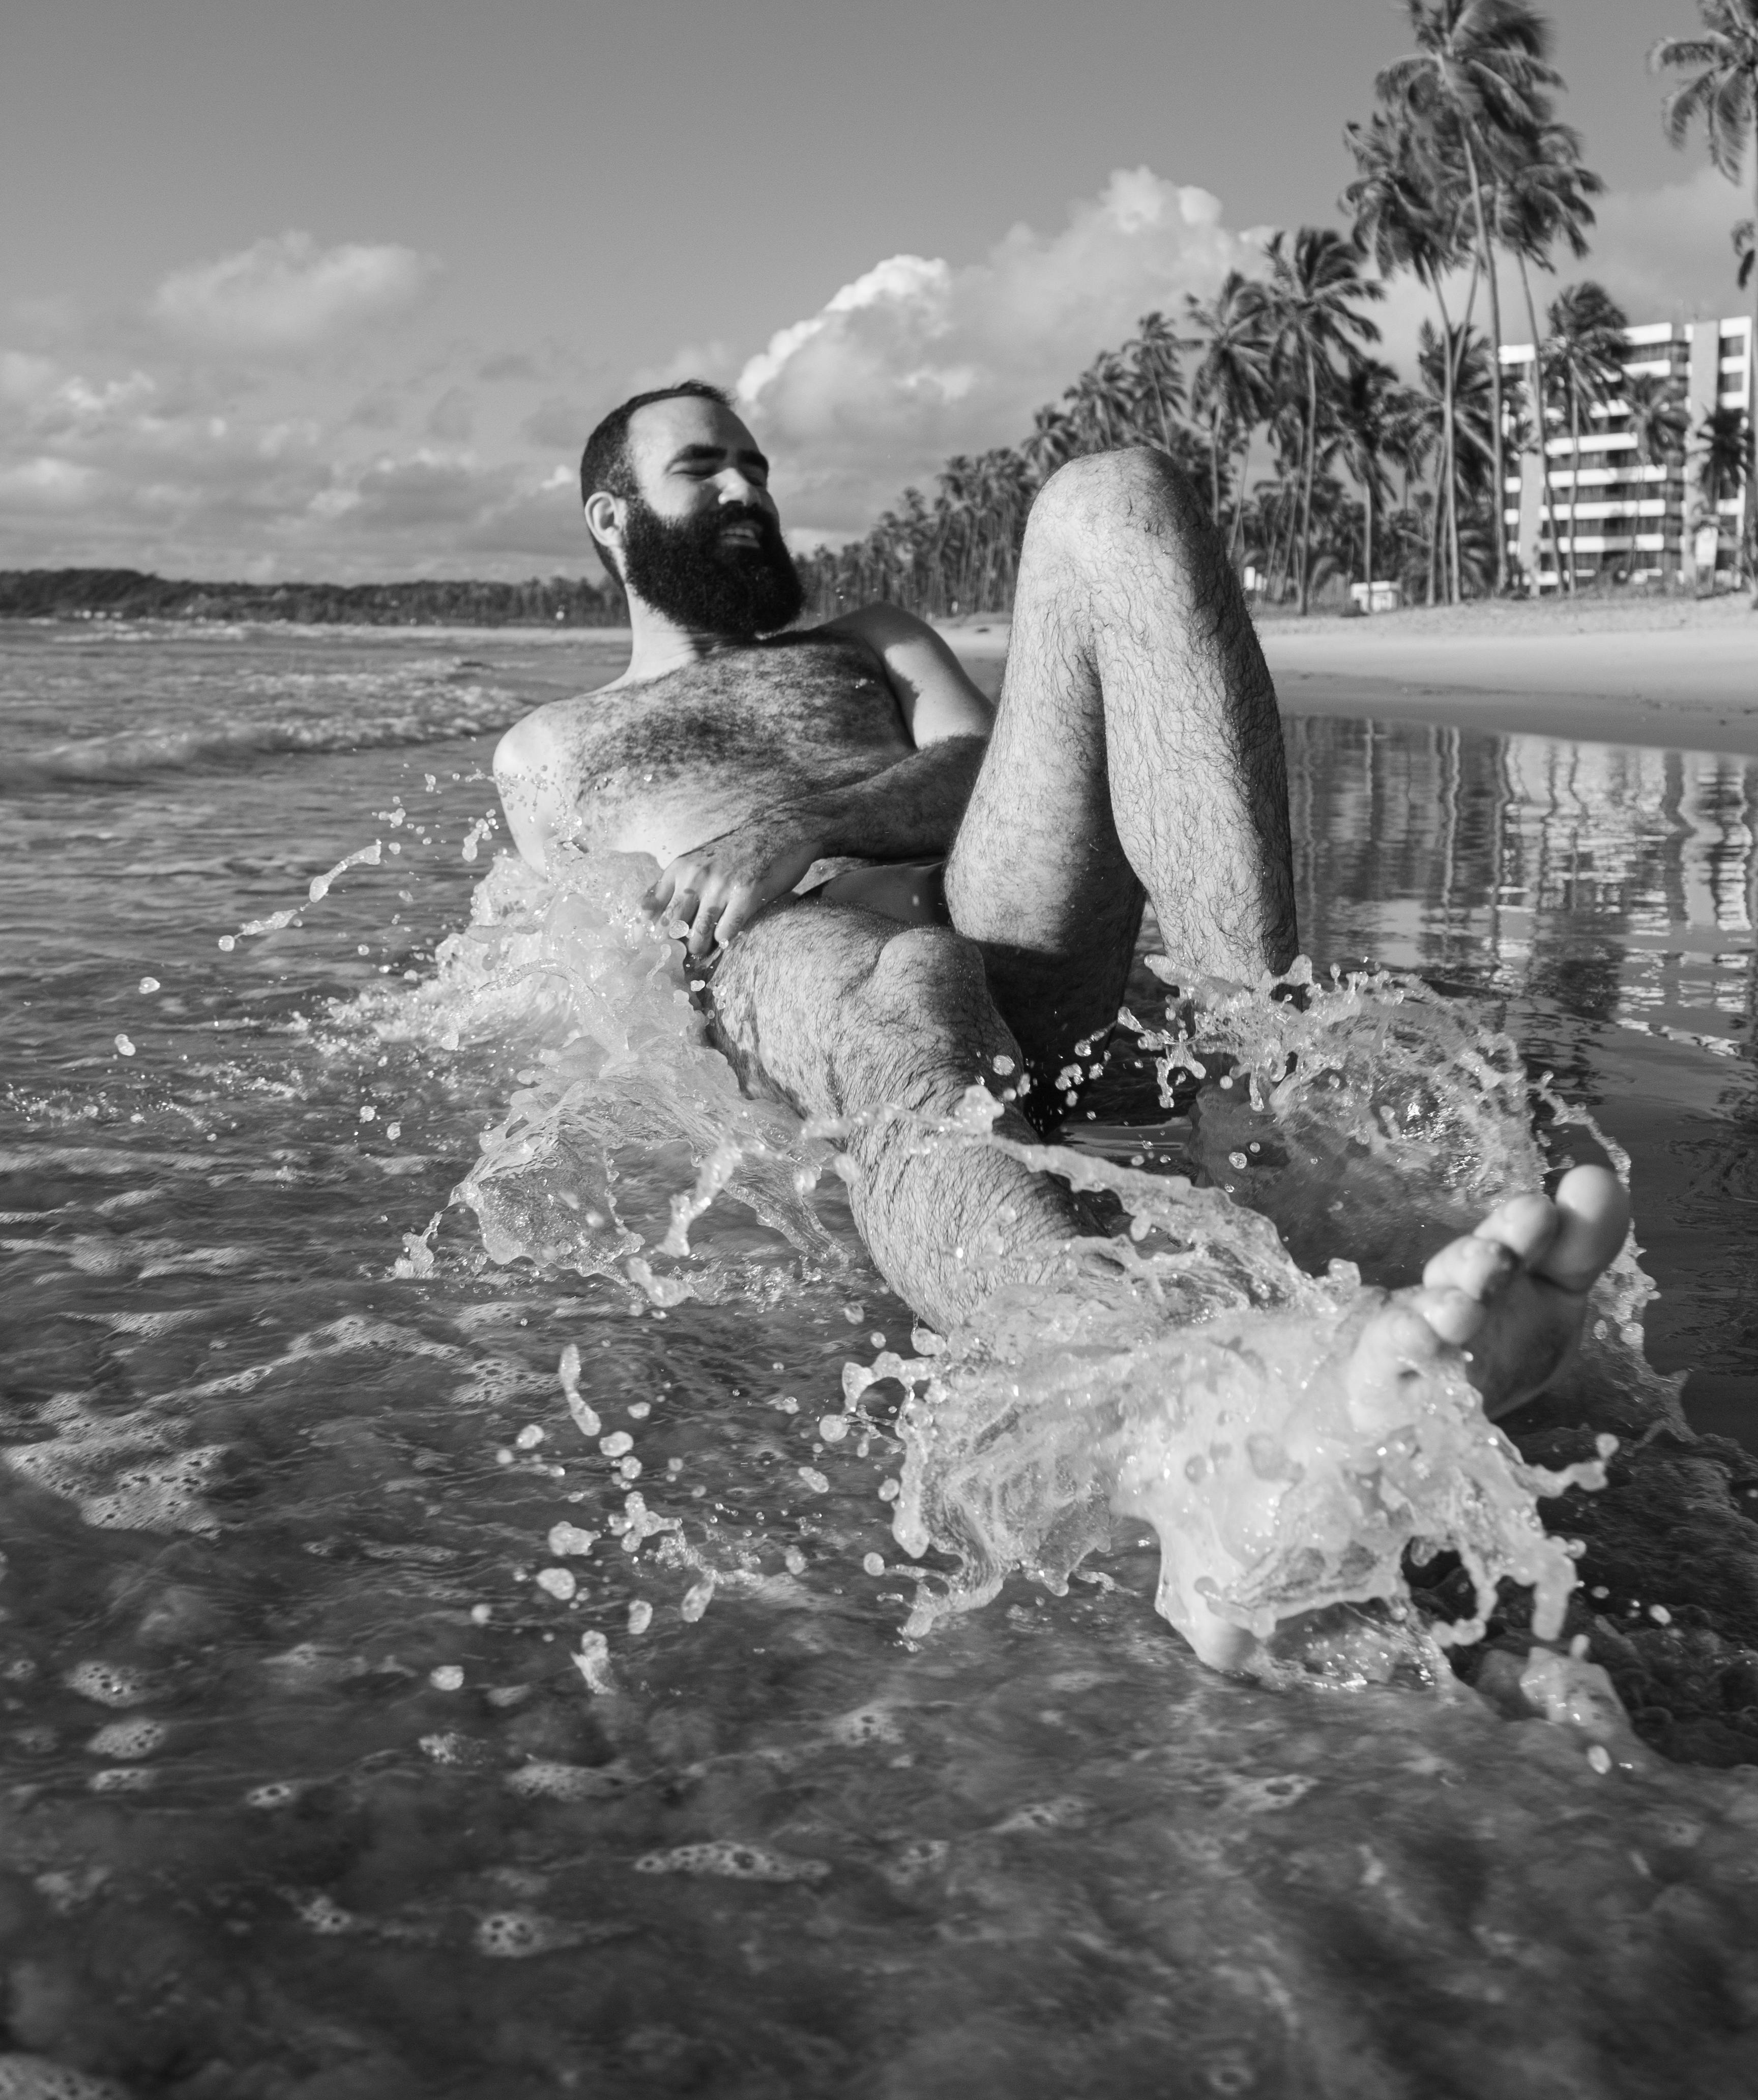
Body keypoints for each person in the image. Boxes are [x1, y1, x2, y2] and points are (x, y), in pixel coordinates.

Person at [493, 381, 1630, 1657]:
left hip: (1009, 931)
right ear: (614, 517)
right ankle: (1183, 1435)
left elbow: (989, 768)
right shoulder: (552, 746)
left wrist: (814, 819)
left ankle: (1269, 1052)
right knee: (914, 976)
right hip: (793, 965)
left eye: (755, 465)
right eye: (703, 469)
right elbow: (583, 976)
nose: (748, 489)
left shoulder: (868, 643)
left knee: (1116, 494)